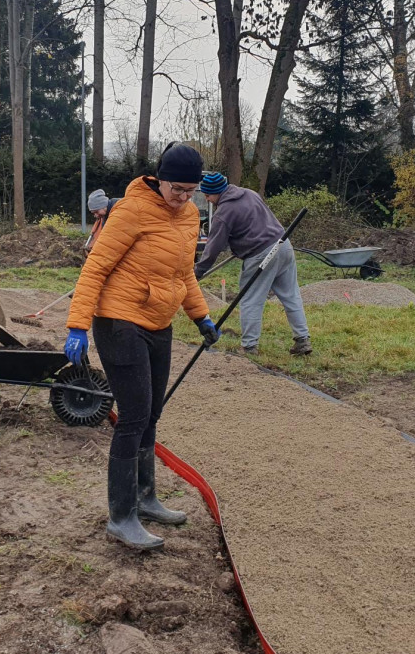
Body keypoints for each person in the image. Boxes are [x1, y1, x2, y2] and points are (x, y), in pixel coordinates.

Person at [64, 143, 220, 550]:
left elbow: (184, 273)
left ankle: (146, 498)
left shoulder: (189, 216)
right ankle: (121, 516)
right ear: (160, 179)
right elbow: (96, 266)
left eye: (191, 191)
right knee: (133, 415)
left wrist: (201, 317)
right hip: (119, 321)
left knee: (152, 412)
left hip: (158, 322)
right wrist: (78, 325)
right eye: (176, 189)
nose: (183, 198)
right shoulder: (131, 210)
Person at [193, 172, 310, 356]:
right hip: (283, 244)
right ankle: (303, 340)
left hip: (260, 254)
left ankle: (249, 346)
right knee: (291, 295)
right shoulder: (249, 193)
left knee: (250, 300)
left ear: (217, 191)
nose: (207, 198)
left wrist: (198, 271)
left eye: (208, 195)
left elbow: (213, 247)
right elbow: (255, 223)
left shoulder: (223, 213)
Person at [84, 188, 118, 253]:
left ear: (103, 205)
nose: (96, 215)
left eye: (96, 212)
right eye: (93, 213)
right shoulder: (105, 215)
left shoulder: (119, 210)